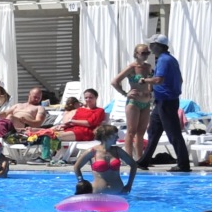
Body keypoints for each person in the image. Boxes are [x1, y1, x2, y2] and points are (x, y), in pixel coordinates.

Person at [140, 35, 192, 172]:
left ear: (158, 46)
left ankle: (183, 164)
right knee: (153, 131)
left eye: (152, 45)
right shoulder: (171, 59)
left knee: (173, 133)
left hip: (166, 102)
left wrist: (145, 80)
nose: (150, 48)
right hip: (163, 101)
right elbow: (180, 79)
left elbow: (159, 80)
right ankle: (144, 161)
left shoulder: (163, 60)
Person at [112, 44, 155, 162]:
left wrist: (150, 90)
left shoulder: (148, 67)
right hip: (134, 102)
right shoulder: (132, 67)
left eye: (147, 53)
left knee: (141, 132)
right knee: (131, 131)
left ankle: (140, 158)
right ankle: (129, 158)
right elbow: (115, 81)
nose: (146, 55)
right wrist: (125, 93)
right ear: (136, 54)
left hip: (146, 102)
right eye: (143, 53)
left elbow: (150, 81)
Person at [74, 123, 138, 196]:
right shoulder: (92, 151)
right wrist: (81, 182)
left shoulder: (118, 151)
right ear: (106, 136)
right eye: (115, 135)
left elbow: (134, 165)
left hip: (118, 192)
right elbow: (76, 167)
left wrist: (129, 185)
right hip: (97, 193)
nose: (117, 137)